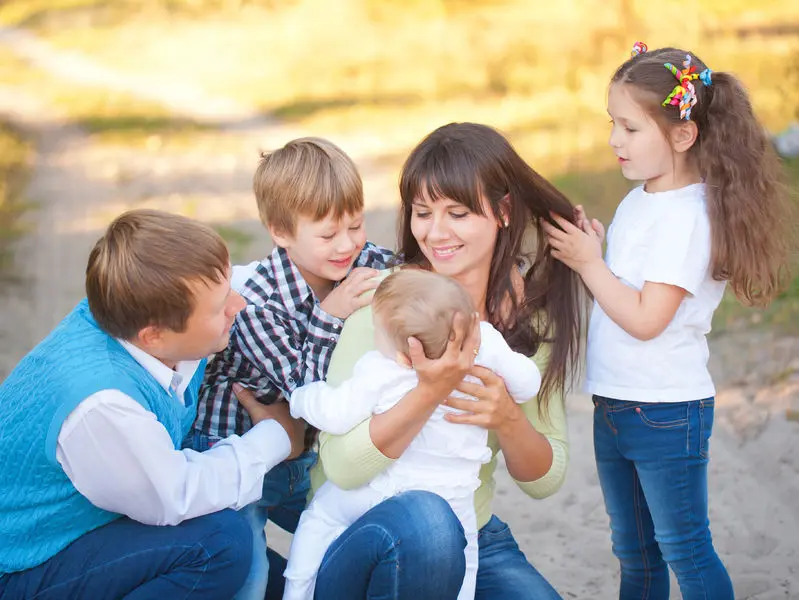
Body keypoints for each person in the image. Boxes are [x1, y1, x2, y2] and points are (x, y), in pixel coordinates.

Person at [290, 122, 586, 599]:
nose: (436, 233)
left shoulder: (524, 320)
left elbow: (545, 480)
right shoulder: (386, 301)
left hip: (470, 532)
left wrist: (508, 419)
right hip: (361, 528)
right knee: (428, 521)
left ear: (503, 211)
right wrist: (430, 390)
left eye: (458, 213)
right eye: (423, 213)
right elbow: (343, 468)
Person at [543, 43, 792, 600]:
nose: (614, 140)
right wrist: (599, 252)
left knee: (684, 546)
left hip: (665, 410)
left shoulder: (687, 219)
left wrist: (587, 265)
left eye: (630, 129)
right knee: (634, 551)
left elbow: (646, 318)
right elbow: (629, 287)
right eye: (613, 124)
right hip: (615, 402)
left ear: (682, 135)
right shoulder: (643, 200)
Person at [0, 209, 306, 600]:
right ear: (154, 337)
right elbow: (174, 495)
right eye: (217, 308)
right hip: (23, 563)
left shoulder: (147, 310)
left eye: (227, 286)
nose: (239, 303)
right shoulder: (102, 405)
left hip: (100, 521)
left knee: (279, 582)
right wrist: (277, 437)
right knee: (220, 546)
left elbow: (261, 280)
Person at [190, 137, 395, 599]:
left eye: (356, 224)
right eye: (328, 234)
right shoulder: (255, 303)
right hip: (237, 457)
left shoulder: (362, 261)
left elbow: (407, 280)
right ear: (281, 232)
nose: (347, 244)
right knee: (246, 572)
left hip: (305, 458)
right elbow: (308, 388)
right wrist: (330, 315)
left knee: (358, 539)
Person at [283, 269, 542, 600]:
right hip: (456, 494)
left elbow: (335, 414)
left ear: (407, 356)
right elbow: (528, 383)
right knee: (466, 561)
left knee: (320, 515)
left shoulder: (383, 370)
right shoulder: (485, 346)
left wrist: (301, 398)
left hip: (384, 491)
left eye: (377, 331)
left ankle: (297, 591)